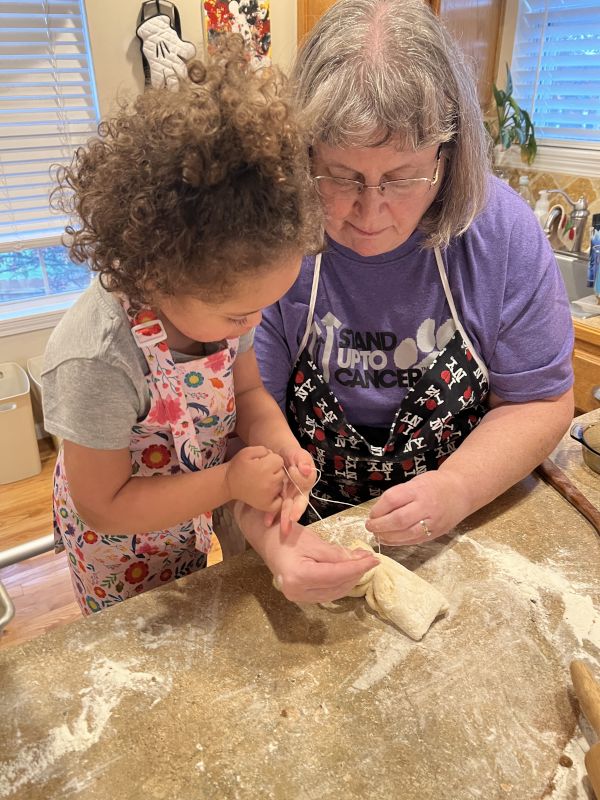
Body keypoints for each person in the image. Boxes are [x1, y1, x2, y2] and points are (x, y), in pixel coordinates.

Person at [43, 35, 379, 615]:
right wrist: (227, 483)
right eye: (238, 315)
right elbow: (105, 504)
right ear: (160, 272)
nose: (250, 325)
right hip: (117, 553)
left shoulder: (225, 300)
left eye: (261, 309)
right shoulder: (97, 358)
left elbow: (247, 393)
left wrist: (278, 442)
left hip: (187, 524)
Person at [255, 0, 574, 549]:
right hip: (298, 525)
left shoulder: (500, 234)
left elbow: (539, 401)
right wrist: (271, 534)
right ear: (302, 153)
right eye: (340, 176)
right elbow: (242, 410)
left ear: (447, 159)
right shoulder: (267, 234)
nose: (370, 212)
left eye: (402, 178)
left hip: (465, 524)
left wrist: (457, 487)